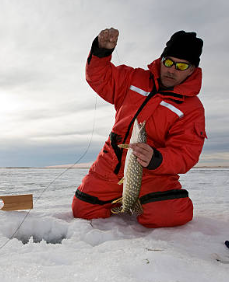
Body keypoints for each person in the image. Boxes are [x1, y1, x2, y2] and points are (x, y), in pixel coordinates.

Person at [72, 28, 207, 228]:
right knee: (83, 210)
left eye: (181, 66)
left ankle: (141, 200)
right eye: (168, 62)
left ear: (192, 69)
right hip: (111, 163)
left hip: (153, 174)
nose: (171, 70)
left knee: (171, 214)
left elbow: (186, 154)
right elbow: (99, 78)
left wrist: (156, 158)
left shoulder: (192, 109)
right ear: (161, 60)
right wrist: (101, 52)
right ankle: (120, 199)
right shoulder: (133, 78)